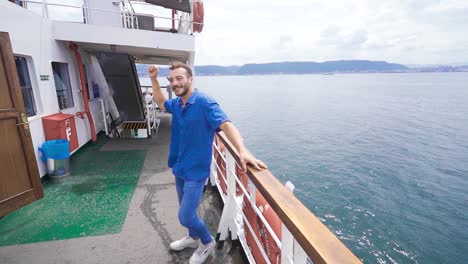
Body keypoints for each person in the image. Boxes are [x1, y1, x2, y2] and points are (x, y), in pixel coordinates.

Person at [148, 62, 267, 264]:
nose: (175, 83)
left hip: (196, 171)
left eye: (179, 78)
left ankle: (206, 241)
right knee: (188, 211)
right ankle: (193, 237)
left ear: (190, 79)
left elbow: (227, 125)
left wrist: (242, 150)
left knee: (185, 216)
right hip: (179, 167)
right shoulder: (177, 104)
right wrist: (153, 79)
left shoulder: (204, 103)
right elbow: (160, 102)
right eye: (171, 80)